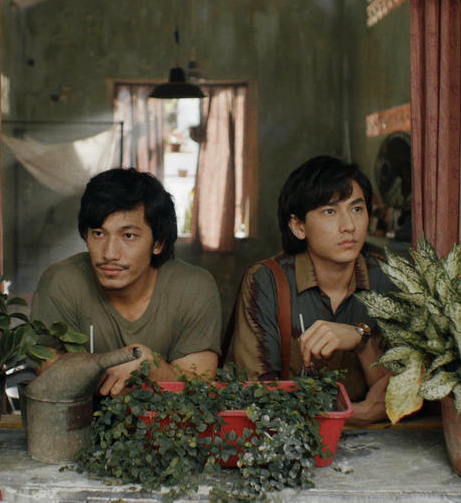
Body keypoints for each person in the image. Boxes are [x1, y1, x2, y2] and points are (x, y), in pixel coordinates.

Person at [225, 156, 394, 425]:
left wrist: (362, 340)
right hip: (290, 442)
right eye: (330, 211)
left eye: (357, 209)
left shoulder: (388, 278)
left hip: (383, 442)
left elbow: (405, 391)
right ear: (298, 226)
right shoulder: (267, 281)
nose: (348, 225)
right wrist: (352, 416)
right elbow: (255, 395)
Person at [31, 168, 222, 396]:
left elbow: (199, 392)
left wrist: (152, 368)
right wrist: (114, 363)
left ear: (158, 243)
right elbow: (49, 380)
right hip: (80, 426)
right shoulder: (61, 282)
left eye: (128, 236)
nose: (110, 253)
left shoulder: (193, 288)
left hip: (165, 428)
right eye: (99, 234)